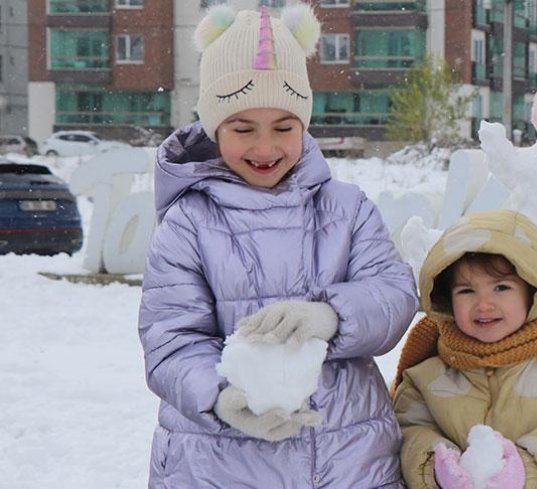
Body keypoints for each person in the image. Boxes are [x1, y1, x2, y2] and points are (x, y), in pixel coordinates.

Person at [137, 5, 418, 487]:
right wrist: (222, 399)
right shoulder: (189, 223)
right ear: (214, 127)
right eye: (243, 129)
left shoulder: (346, 209)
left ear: (304, 125)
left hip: (347, 458)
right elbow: (171, 339)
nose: (265, 148)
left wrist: (330, 317)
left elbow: (394, 293)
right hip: (220, 464)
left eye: (284, 128)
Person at [391, 209, 537, 488]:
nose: (484, 304)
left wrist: (526, 469)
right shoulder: (426, 376)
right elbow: (409, 431)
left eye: (501, 288)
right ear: (447, 300)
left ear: (532, 292)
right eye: (466, 291)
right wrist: (436, 469)